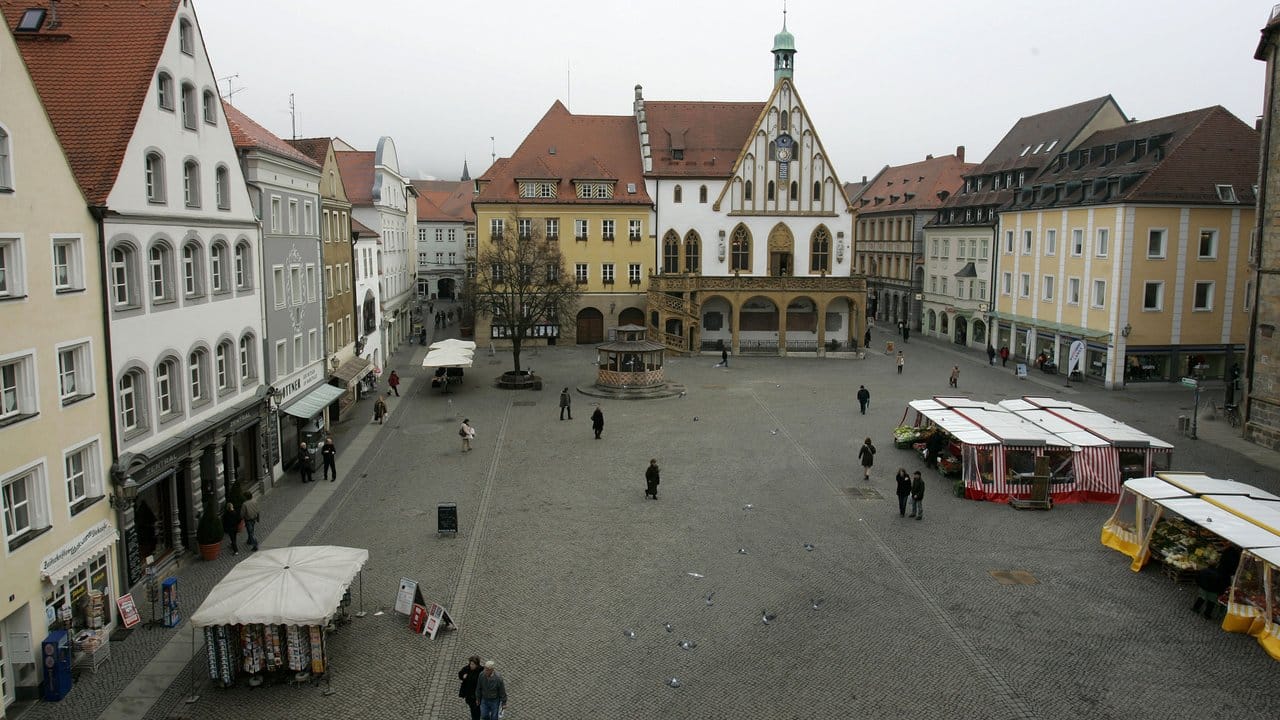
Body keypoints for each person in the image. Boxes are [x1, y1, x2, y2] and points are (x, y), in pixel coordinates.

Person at [457, 656, 483, 720]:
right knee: (473, 709)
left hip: (477, 694)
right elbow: (460, 674)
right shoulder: (466, 668)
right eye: (470, 664)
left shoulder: (481, 670)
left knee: (477, 709)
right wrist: (463, 676)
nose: (471, 665)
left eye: (473, 664)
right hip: (469, 694)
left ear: (477, 665)